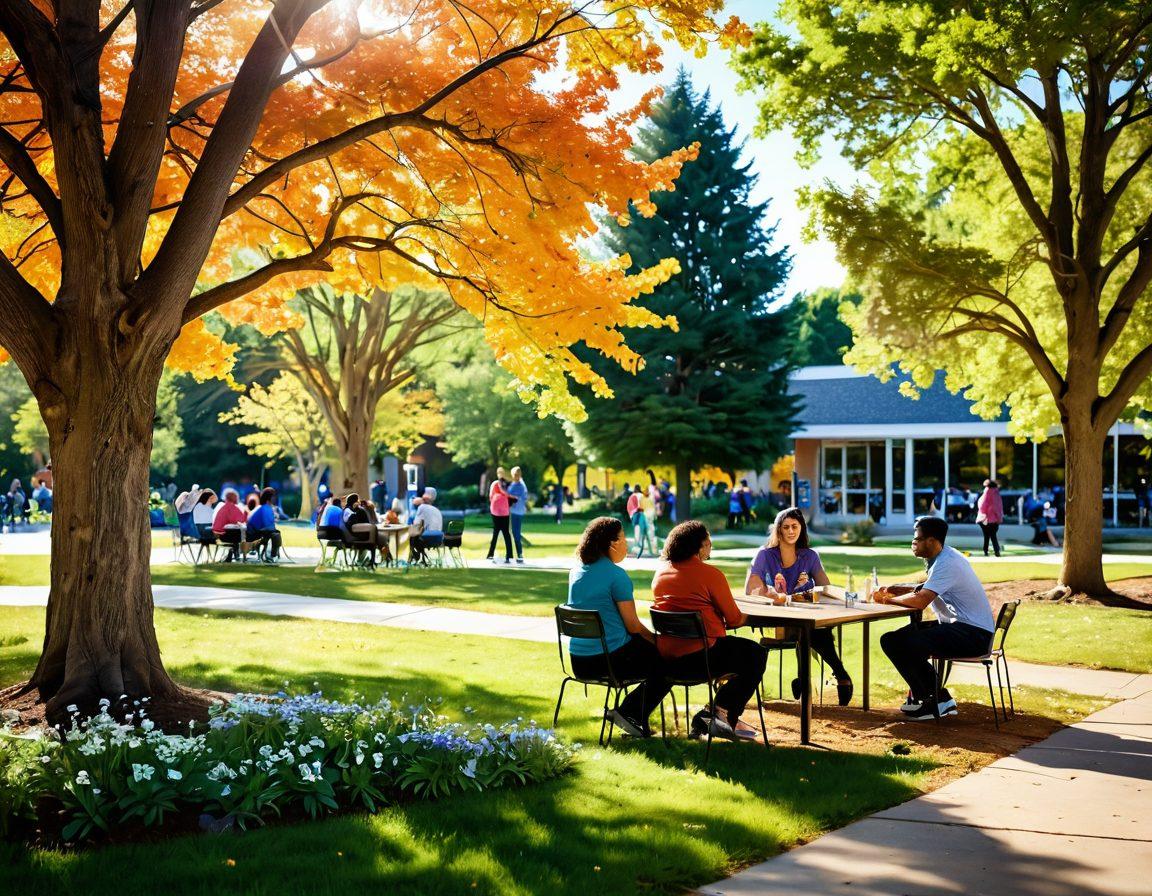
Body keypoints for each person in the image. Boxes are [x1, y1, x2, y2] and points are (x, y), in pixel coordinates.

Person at [652, 521, 768, 741]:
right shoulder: (710, 574)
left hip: (668, 658)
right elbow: (733, 619)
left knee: (743, 653)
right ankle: (718, 712)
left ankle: (716, 714)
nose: (710, 548)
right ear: (699, 547)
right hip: (702, 657)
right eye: (708, 544)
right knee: (756, 654)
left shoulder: (661, 574)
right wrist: (754, 613)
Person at [874, 516, 996, 721]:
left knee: (905, 642)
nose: (913, 543)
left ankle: (937, 699)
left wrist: (886, 601)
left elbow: (921, 600)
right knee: (892, 640)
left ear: (931, 541)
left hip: (973, 635)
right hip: (961, 628)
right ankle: (932, 697)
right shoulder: (942, 558)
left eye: (917, 538)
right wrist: (896, 589)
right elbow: (924, 589)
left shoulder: (947, 563)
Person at [566, 516, 671, 737]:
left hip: (578, 661)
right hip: (609, 661)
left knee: (656, 658)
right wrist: (657, 642)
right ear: (612, 543)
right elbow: (633, 626)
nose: (627, 543)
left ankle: (630, 712)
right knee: (669, 664)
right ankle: (629, 713)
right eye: (624, 538)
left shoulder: (577, 571)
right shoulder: (616, 576)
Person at [745, 507, 854, 706]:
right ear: (778, 530)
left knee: (809, 629)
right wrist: (768, 592)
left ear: (801, 528)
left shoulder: (810, 556)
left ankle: (803, 679)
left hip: (806, 618)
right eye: (785, 527)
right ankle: (839, 674)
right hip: (775, 620)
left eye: (795, 526)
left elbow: (825, 587)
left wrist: (821, 593)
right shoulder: (765, 555)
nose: (790, 531)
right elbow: (751, 588)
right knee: (813, 631)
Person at [409, 487, 445, 566]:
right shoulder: (437, 510)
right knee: (415, 535)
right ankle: (421, 557)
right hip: (438, 539)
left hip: (426, 538)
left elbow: (416, 525)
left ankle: (416, 556)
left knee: (411, 535)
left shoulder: (422, 507)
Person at [247, 486, 283, 561]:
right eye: (273, 496)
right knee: (275, 534)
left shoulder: (264, 507)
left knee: (275, 533)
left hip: (256, 532)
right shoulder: (265, 508)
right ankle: (271, 555)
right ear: (269, 497)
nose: (275, 498)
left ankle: (271, 554)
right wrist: (274, 530)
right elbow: (268, 525)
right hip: (255, 535)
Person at [211, 488, 248, 561]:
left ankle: (233, 554)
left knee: (234, 531)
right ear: (235, 498)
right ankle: (237, 554)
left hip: (219, 536)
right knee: (239, 532)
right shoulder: (234, 508)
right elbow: (243, 520)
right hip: (229, 536)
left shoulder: (220, 506)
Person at [487, 467, 514, 563]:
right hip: (504, 511)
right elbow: (510, 495)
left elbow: (490, 496)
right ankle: (509, 554)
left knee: (495, 533)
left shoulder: (494, 484)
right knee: (506, 533)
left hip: (495, 511)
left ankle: (490, 554)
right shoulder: (507, 484)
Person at [975, 479, 1004, 557]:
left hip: (983, 518)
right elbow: (998, 507)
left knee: (987, 535)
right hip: (993, 519)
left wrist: (983, 513)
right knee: (993, 535)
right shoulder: (996, 493)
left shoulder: (986, 492)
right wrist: (999, 518)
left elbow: (981, 504)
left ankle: (986, 551)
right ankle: (996, 551)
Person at [507, 466, 528, 563]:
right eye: (514, 475)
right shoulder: (514, 484)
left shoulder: (520, 486)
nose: (515, 476)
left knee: (515, 533)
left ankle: (519, 554)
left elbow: (520, 498)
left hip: (517, 512)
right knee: (513, 532)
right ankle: (512, 554)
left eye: (517, 475)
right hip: (512, 511)